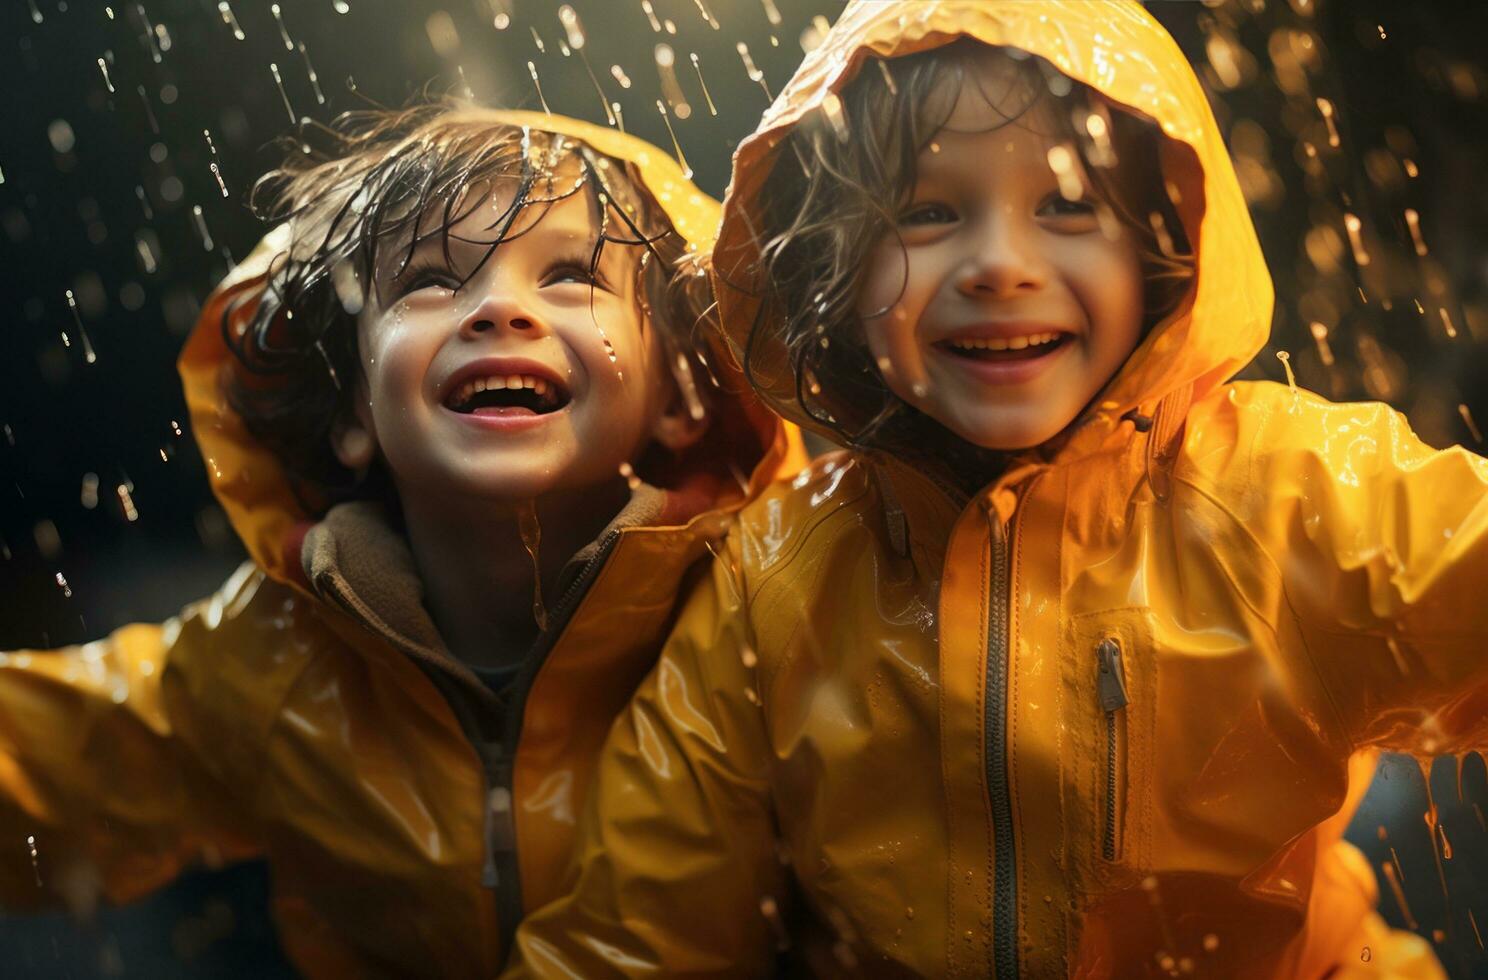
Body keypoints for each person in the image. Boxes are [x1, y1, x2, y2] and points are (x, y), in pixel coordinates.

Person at [506, 3, 1485, 976]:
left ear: (1160, 253)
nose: (1001, 266)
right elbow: (634, 937)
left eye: (1066, 205)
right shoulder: (776, 578)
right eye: (927, 212)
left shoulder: (1289, 493)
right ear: (836, 279)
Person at [0, 102, 802, 978]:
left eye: (570, 272)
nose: (500, 309)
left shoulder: (761, 615)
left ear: (683, 393)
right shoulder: (279, 662)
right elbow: (59, 761)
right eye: (429, 281)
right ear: (354, 409)